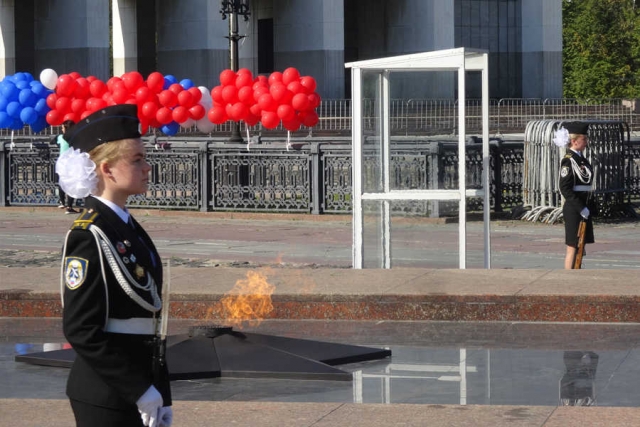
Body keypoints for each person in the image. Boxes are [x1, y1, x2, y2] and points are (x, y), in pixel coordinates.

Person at [58, 104, 172, 427]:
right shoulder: (89, 235)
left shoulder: (126, 226)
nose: (147, 167)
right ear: (107, 169)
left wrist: (161, 392)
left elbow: (151, 326)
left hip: (137, 391)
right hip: (106, 396)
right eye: (137, 160)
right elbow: (81, 330)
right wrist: (139, 390)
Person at [556, 121, 595, 269]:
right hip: (575, 208)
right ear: (574, 141)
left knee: (581, 246)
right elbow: (565, 188)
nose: (586, 142)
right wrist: (580, 208)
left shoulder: (580, 159)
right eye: (584, 139)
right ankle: (568, 278)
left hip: (584, 205)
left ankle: (577, 272)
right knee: (573, 246)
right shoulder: (568, 160)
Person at [52, 120, 79, 214]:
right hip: (71, 162)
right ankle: (69, 206)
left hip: (61, 163)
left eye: (63, 128)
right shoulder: (75, 137)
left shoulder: (60, 137)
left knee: (61, 182)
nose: (62, 129)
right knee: (72, 184)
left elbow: (53, 141)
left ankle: (62, 202)